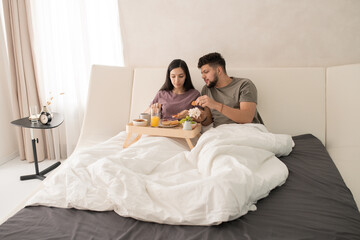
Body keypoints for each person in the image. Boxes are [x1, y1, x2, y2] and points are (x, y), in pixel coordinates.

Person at [194, 52, 263, 127]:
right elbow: (208, 121)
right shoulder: (206, 89)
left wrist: (215, 105)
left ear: (219, 70)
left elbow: (247, 118)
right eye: (202, 73)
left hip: (247, 130)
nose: (202, 76)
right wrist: (202, 117)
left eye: (206, 72)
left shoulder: (244, 85)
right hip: (221, 132)